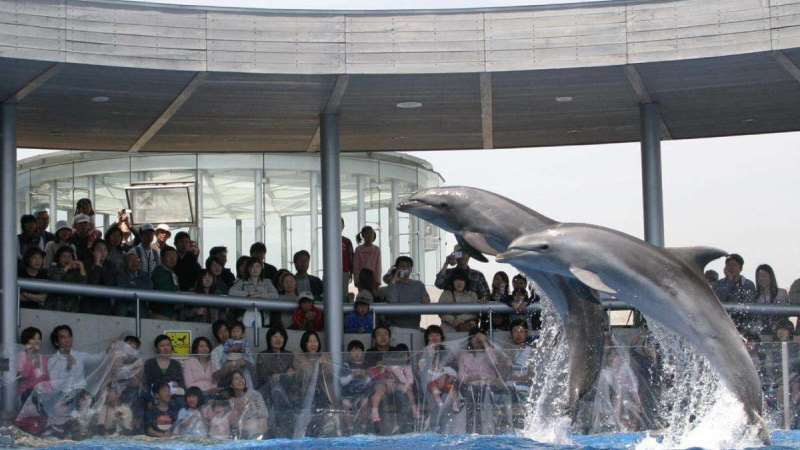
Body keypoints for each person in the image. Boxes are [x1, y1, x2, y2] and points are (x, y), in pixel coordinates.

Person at [457, 328, 508, 434]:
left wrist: (485, 343)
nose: (478, 340)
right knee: (472, 395)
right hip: (470, 388)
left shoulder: (490, 351)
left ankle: (487, 431)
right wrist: (480, 377)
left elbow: (494, 363)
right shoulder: (464, 355)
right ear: (470, 339)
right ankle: (470, 431)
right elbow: (462, 376)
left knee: (485, 394)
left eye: (480, 338)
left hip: (489, 387)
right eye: (475, 338)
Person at [256, 326, 295, 436]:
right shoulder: (262, 355)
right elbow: (263, 377)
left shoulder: (289, 355)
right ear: (269, 338)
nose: (278, 339)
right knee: (275, 387)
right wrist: (283, 374)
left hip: (286, 391)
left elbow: (293, 375)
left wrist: (281, 375)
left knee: (279, 388)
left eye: (281, 336)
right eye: (275, 336)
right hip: (267, 390)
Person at [47, 325, 105, 394]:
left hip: (80, 396)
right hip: (62, 398)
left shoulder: (79, 355)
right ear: (56, 342)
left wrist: (110, 349)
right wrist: (68, 368)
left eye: (69, 336)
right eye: (63, 337)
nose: (67, 340)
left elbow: (97, 359)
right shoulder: (52, 361)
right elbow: (55, 385)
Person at [384, 256, 430, 329]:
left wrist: (425, 300)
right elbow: (392, 301)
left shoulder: (418, 285)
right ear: (397, 268)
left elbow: (426, 303)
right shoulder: (392, 284)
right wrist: (394, 280)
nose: (405, 268)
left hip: (414, 327)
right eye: (402, 266)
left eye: (408, 266)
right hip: (394, 328)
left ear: (411, 269)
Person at [712, 254, 757, 329]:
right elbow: (719, 301)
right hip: (722, 323)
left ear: (740, 268)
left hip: (742, 324)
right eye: (728, 265)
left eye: (734, 265)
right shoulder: (718, 284)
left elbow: (747, 305)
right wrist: (729, 282)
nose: (731, 268)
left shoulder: (748, 284)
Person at [365, 325, 397, 425]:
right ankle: (375, 422)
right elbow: (368, 372)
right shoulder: (370, 352)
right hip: (377, 384)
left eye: (386, 334)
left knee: (403, 394)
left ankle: (404, 424)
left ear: (390, 337)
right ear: (374, 339)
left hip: (395, 383)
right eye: (379, 335)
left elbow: (403, 369)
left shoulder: (396, 351)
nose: (383, 337)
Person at [213, 321, 255, 390]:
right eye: (233, 331)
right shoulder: (219, 350)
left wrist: (242, 361)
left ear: (242, 334)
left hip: (244, 375)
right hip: (229, 379)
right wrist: (229, 365)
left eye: (238, 331)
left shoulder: (245, 344)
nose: (224, 334)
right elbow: (224, 362)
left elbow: (250, 362)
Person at [227, 370, 268, 439]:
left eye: (242, 378)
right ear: (231, 385)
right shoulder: (230, 401)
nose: (240, 380)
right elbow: (233, 424)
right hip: (240, 434)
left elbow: (263, 415)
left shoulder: (255, 395)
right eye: (236, 379)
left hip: (257, 432)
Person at [47, 246, 87, 312]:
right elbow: (55, 279)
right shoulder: (53, 268)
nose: (67, 259)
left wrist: (82, 268)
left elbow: (84, 286)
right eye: (64, 256)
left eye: (69, 257)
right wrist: (67, 268)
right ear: (58, 258)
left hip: (72, 308)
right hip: (54, 306)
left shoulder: (76, 271)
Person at [17, 327, 50, 403]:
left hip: (42, 395)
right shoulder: (21, 356)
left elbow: (48, 379)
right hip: (25, 396)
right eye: (33, 338)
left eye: (39, 338)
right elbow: (22, 376)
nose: (37, 341)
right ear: (26, 340)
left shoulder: (44, 358)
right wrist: (29, 358)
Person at [754, 264, 791, 333]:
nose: (761, 279)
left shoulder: (781, 293)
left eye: (764, 276)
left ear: (771, 277)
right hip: (760, 329)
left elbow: (786, 314)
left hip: (778, 329)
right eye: (759, 276)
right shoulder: (755, 296)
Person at [340, 340, 371, 414]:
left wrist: (365, 376)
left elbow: (371, 382)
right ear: (349, 353)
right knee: (346, 405)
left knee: (364, 404)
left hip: (363, 394)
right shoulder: (345, 365)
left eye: (359, 351)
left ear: (363, 352)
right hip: (348, 394)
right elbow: (342, 382)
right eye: (353, 351)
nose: (356, 353)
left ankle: (364, 425)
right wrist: (352, 375)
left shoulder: (366, 365)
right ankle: (349, 426)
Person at [150, 247, 180, 320]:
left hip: (171, 313)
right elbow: (165, 291)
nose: (172, 258)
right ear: (162, 258)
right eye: (169, 256)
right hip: (161, 314)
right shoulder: (159, 272)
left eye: (174, 256)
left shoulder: (172, 273)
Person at [353, 226, 381, 293]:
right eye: (367, 233)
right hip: (361, 279)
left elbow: (378, 266)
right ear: (363, 235)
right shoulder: (358, 249)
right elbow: (356, 266)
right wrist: (357, 281)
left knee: (373, 297)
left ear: (374, 235)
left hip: (373, 279)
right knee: (363, 297)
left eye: (371, 233)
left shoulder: (377, 249)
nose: (369, 235)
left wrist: (378, 281)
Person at [341, 218, 355, 295]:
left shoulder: (347, 241)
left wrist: (351, 272)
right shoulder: (328, 240)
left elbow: (351, 256)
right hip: (331, 271)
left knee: (343, 292)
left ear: (343, 226)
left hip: (344, 270)